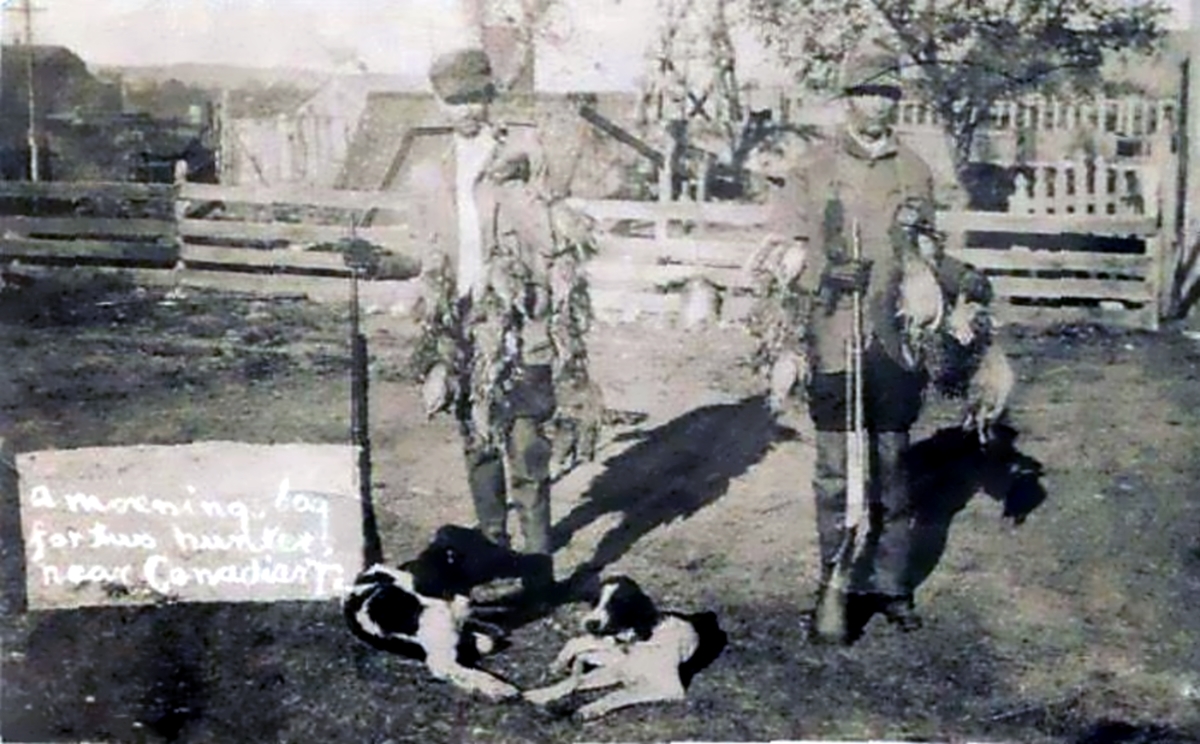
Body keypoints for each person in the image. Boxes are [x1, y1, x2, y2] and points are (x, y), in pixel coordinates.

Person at [744, 39, 1013, 642]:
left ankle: (892, 585)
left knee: (892, 467)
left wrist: (960, 277)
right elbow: (778, 259)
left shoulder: (914, 171)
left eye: (887, 94)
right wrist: (821, 274)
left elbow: (924, 256)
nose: (877, 105)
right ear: (848, 101)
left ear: (896, 101)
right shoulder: (811, 171)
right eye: (866, 94)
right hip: (831, 340)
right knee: (837, 472)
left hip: (895, 346)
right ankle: (833, 581)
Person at [377, 47, 604, 607]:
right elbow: (424, 250)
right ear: (440, 101)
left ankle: (536, 563)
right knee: (478, 439)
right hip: (459, 323)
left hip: (522, 321)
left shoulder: (527, 154)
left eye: (475, 97)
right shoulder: (430, 171)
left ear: (491, 96)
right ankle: (492, 545)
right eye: (454, 100)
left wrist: (529, 187)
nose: (466, 110)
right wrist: (382, 262)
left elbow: (554, 241)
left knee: (526, 443)